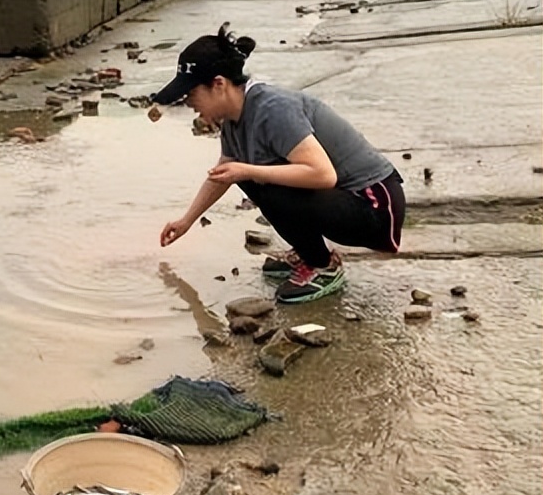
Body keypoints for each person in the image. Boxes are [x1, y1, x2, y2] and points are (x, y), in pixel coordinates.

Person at [154, 25, 405, 304]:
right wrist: (186, 221)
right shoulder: (234, 120)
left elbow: (323, 175)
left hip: (376, 208)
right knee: (248, 174)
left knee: (260, 178)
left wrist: (248, 170)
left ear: (219, 84)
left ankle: (323, 266)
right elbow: (224, 172)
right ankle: (310, 253)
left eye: (192, 95)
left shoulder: (273, 108)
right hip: (343, 203)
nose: (189, 104)